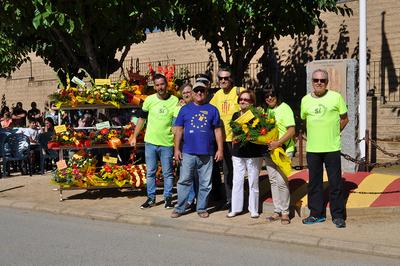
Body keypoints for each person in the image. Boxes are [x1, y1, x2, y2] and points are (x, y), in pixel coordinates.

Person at [300, 69, 349, 228]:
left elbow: (345, 119)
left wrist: (335, 132)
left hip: (331, 148)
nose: (319, 83)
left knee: (335, 183)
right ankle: (316, 214)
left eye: (322, 80)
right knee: (314, 183)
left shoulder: (336, 97)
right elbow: (304, 121)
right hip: (313, 149)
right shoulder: (305, 100)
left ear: (327, 83)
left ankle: (338, 216)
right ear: (312, 82)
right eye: (316, 80)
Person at [171, 81, 223, 218]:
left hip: (207, 153)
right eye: (196, 91)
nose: (199, 93)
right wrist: (176, 149)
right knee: (184, 181)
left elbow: (218, 131)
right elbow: (179, 131)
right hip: (188, 152)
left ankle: (201, 208)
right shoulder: (185, 110)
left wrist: (220, 150)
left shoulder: (213, 110)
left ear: (206, 93)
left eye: (202, 91)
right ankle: (180, 208)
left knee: (205, 183)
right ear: (193, 93)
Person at [130, 73, 179, 209]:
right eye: (157, 85)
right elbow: (141, 120)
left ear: (166, 84)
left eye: (162, 84)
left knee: (168, 173)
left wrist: (177, 144)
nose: (160, 87)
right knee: (150, 172)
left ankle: (168, 198)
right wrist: (134, 136)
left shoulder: (175, 101)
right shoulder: (149, 100)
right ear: (154, 86)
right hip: (150, 143)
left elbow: (176, 124)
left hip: (167, 143)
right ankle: (151, 199)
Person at [209, 67, 244, 210]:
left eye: (226, 78)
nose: (223, 80)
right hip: (222, 141)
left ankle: (240, 200)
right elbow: (209, 111)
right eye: (221, 78)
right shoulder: (217, 95)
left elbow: (251, 106)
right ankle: (230, 200)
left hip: (237, 139)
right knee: (227, 171)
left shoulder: (239, 91)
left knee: (238, 170)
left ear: (231, 79)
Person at [227, 90, 264, 219]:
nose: (242, 101)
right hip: (238, 153)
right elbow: (234, 135)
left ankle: (253, 209)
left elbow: (261, 133)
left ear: (252, 102)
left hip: (253, 154)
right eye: (241, 99)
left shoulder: (257, 115)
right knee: (237, 181)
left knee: (253, 182)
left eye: (246, 99)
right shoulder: (235, 115)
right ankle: (236, 208)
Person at [264, 86, 296, 225]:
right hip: (270, 151)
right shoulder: (267, 111)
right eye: (267, 96)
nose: (270, 98)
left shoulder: (285, 108)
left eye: (272, 95)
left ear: (277, 95)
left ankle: (285, 212)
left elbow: (292, 130)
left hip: (284, 149)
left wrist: (278, 143)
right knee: (273, 181)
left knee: (282, 182)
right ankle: (277, 210)